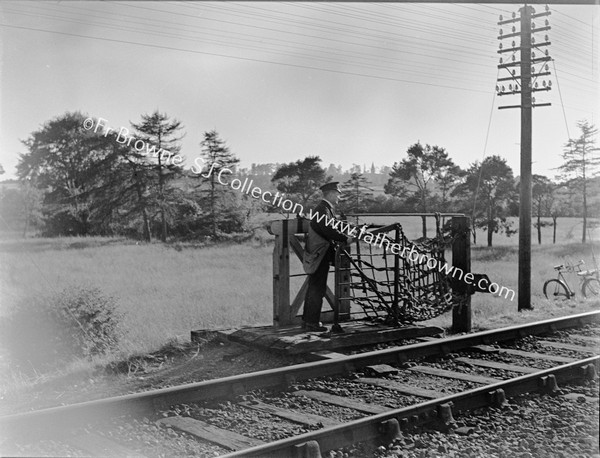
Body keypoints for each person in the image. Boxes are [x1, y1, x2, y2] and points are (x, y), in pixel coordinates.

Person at [302, 182, 353, 332]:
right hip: (320, 254)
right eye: (337, 193)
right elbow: (328, 229)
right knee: (318, 288)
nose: (339, 196)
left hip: (319, 253)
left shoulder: (325, 209)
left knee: (315, 287)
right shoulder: (323, 209)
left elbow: (332, 226)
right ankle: (312, 323)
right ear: (330, 194)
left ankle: (308, 321)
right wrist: (345, 239)